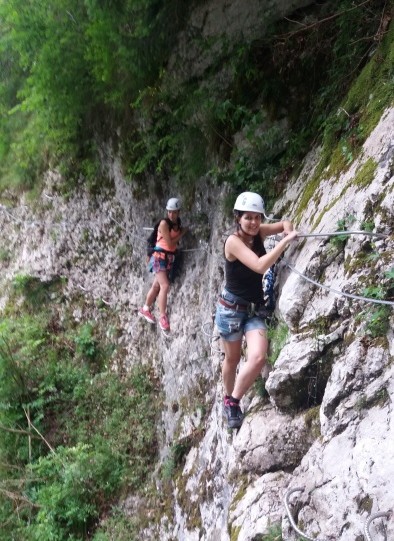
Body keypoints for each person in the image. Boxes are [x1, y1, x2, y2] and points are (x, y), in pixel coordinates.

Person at [215, 192, 298, 429]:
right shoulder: (233, 242)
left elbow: (283, 224)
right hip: (231, 311)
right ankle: (227, 397)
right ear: (238, 218)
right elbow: (261, 266)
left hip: (253, 310)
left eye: (257, 218)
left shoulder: (259, 232)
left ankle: (233, 401)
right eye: (247, 218)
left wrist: (287, 230)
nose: (253, 222)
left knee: (259, 356)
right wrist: (285, 240)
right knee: (231, 359)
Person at [138, 197, 187, 332]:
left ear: (178, 212)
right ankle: (163, 316)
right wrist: (182, 233)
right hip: (159, 257)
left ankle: (145, 308)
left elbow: (171, 246)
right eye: (169, 212)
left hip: (167, 258)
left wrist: (180, 232)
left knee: (156, 285)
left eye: (174, 212)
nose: (171, 214)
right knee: (165, 286)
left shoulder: (177, 224)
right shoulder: (164, 224)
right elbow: (170, 243)